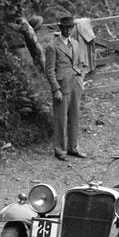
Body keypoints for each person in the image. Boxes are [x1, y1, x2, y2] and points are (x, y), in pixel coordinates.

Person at [45, 15, 88, 160]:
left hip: (75, 83)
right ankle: (60, 151)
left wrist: (80, 76)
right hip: (62, 86)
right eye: (66, 28)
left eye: (71, 27)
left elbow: (80, 63)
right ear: (61, 28)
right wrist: (55, 89)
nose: (68, 30)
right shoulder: (52, 46)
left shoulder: (75, 43)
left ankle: (73, 148)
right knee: (61, 119)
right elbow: (50, 70)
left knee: (74, 117)